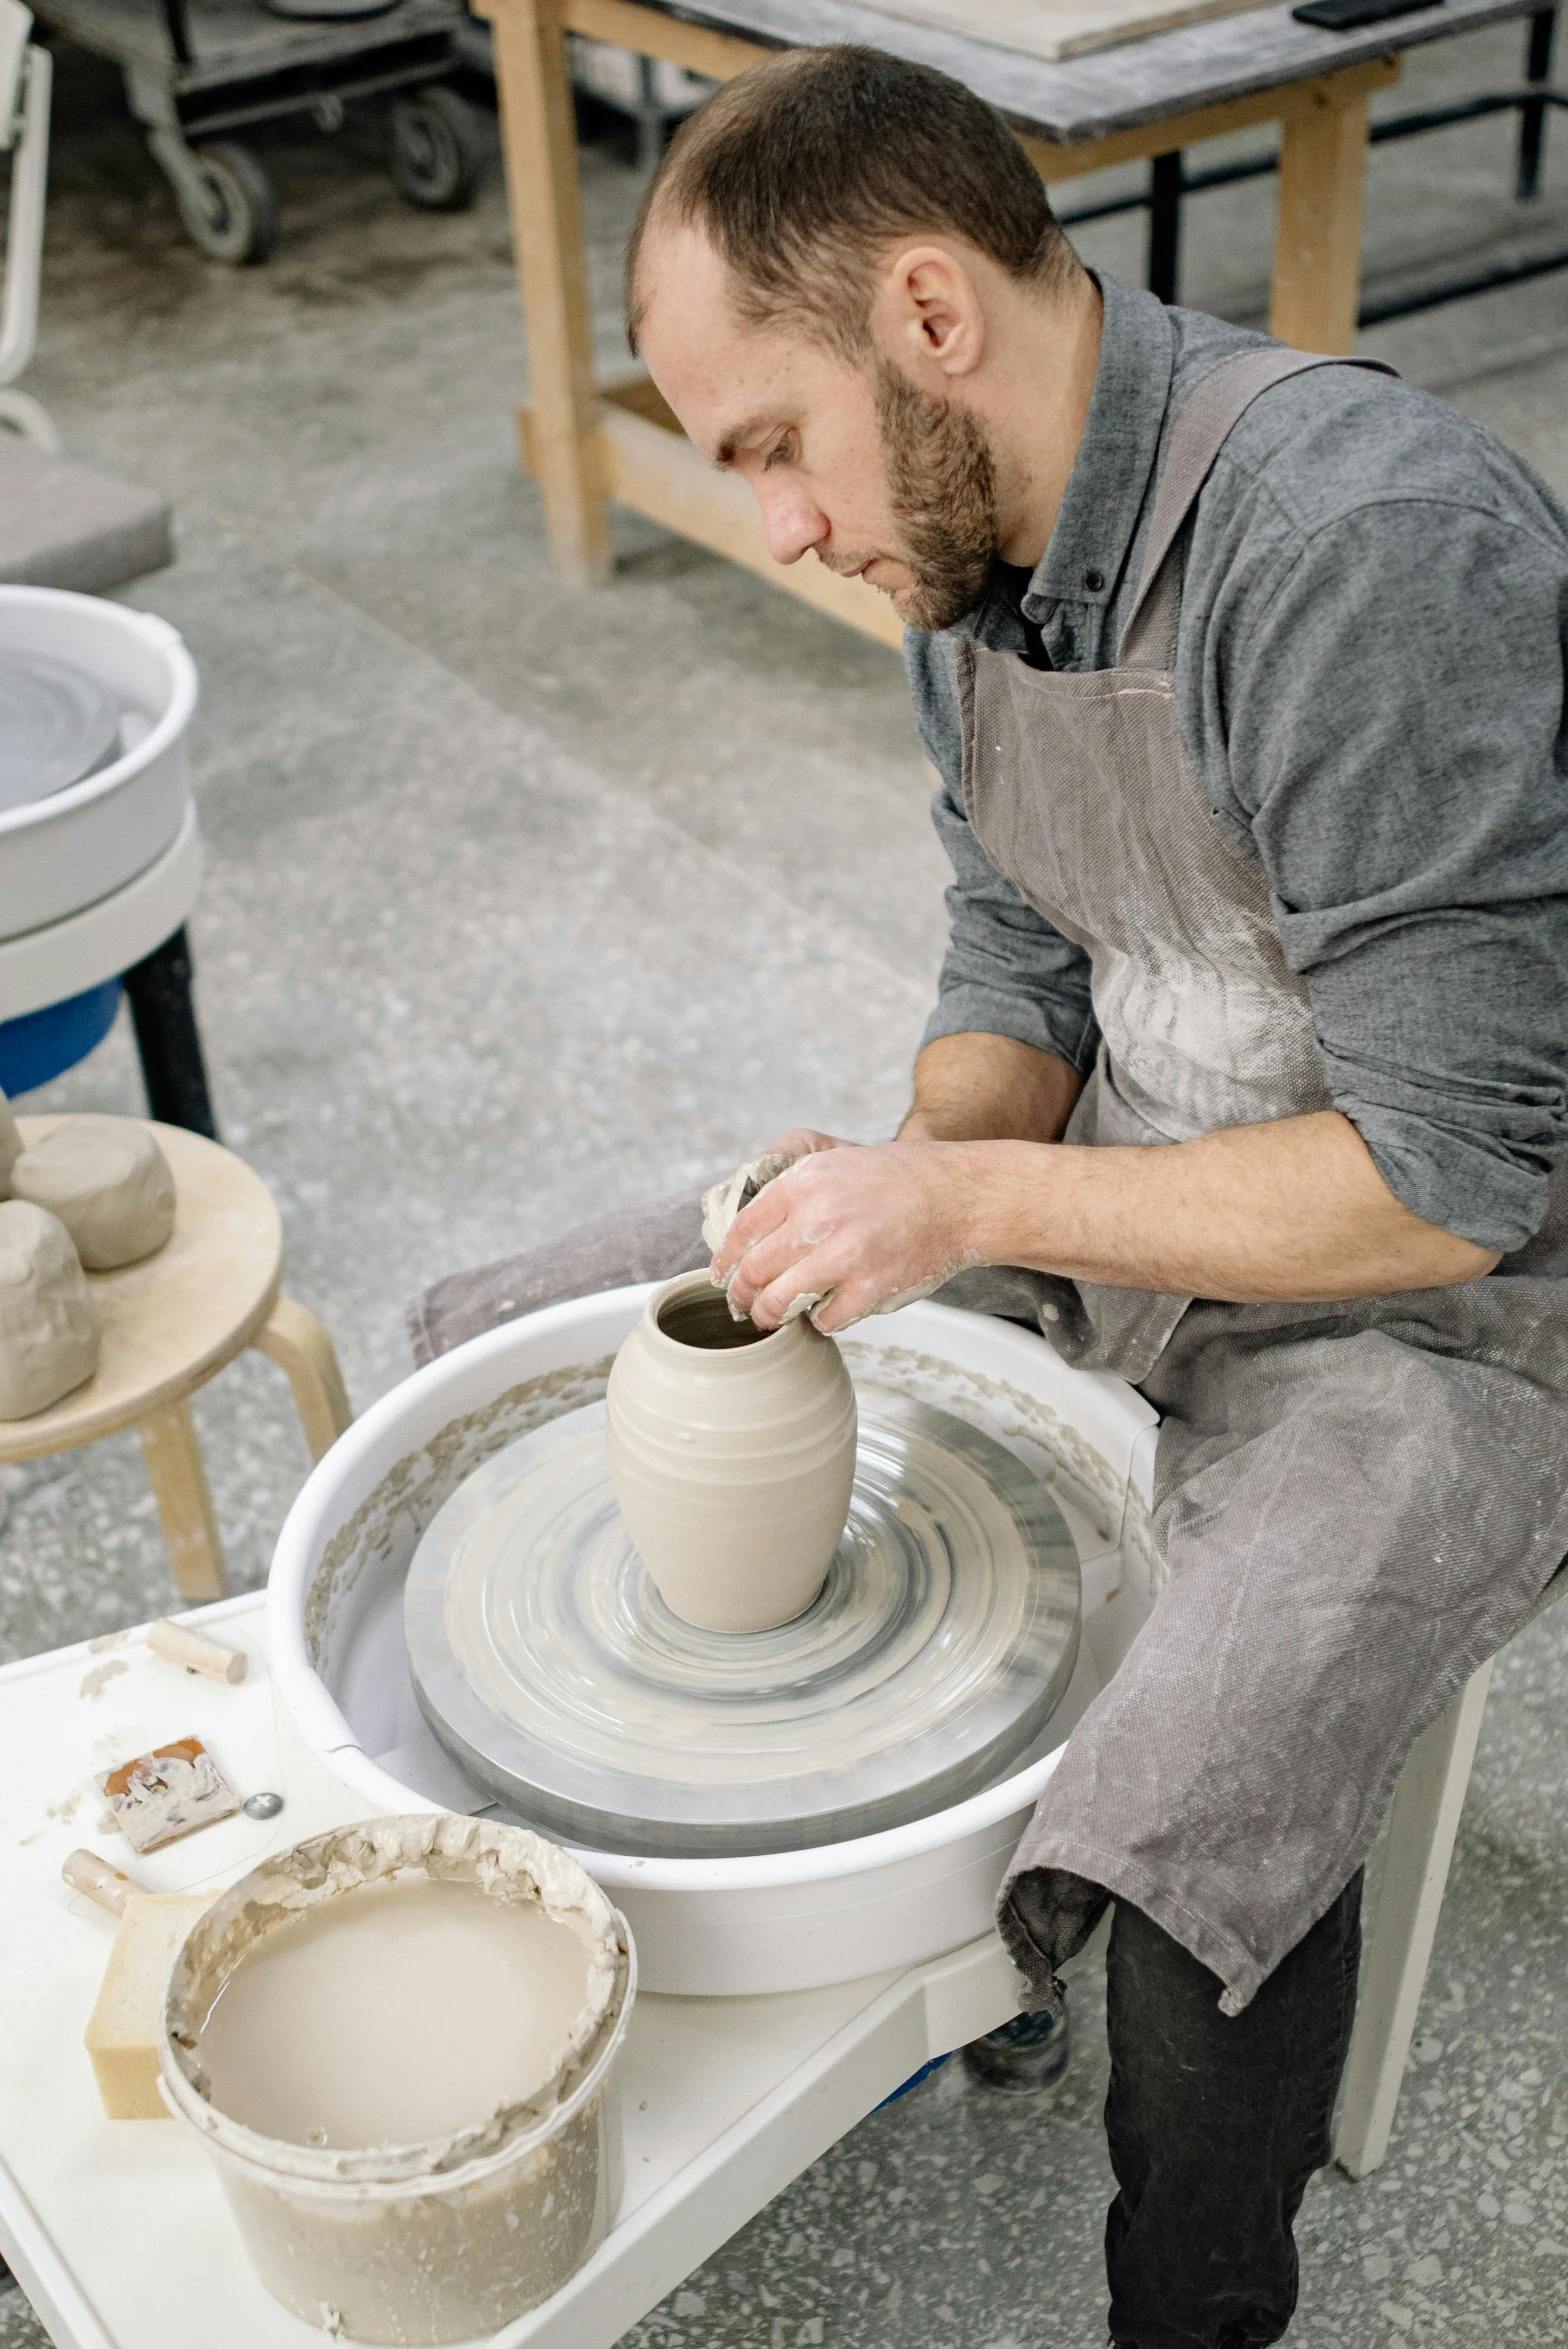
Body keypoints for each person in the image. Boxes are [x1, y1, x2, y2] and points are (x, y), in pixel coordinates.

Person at [409, 46, 1568, 2347]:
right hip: (1120, 1164)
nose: (776, 525)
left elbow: (1448, 1178)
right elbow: (1018, 949)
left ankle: (1195, 2300)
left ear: (927, 315)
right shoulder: (973, 531)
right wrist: (904, 1174)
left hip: (1449, 1299)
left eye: (769, 444)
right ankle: (906, 1937)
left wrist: (957, 1207)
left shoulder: (1355, 550)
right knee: (519, 1335)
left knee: (1193, 1792)